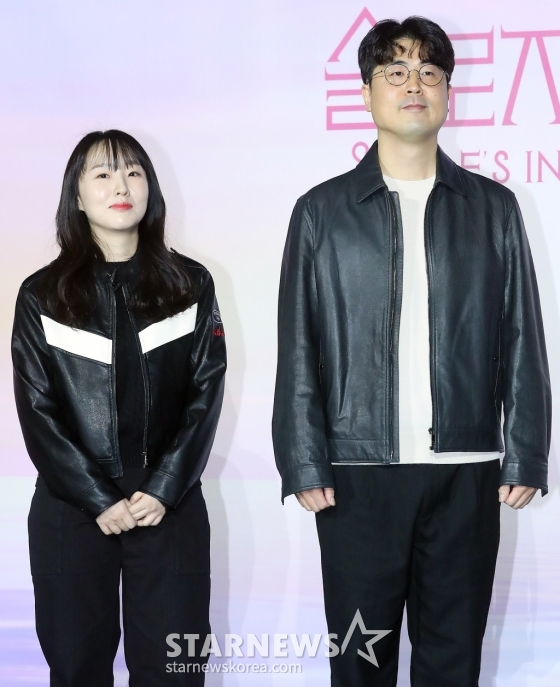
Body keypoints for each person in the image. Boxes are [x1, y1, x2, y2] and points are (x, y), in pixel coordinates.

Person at [272, 16, 550, 687]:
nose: (413, 84)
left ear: (449, 92)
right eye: (394, 71)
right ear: (366, 93)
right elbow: (299, 344)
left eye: (429, 71)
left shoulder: (492, 208)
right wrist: (304, 457)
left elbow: (522, 334)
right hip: (356, 474)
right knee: (360, 661)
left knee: (452, 661)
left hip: (467, 471)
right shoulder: (322, 212)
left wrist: (526, 450)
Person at [12, 130, 226, 686]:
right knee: (76, 668)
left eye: (133, 172)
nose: (121, 186)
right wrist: (97, 497)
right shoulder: (42, 295)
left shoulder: (190, 284)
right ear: (77, 196)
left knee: (175, 669)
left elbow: (206, 394)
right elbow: (37, 411)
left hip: (167, 505)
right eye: (102, 174)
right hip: (73, 507)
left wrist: (165, 487)